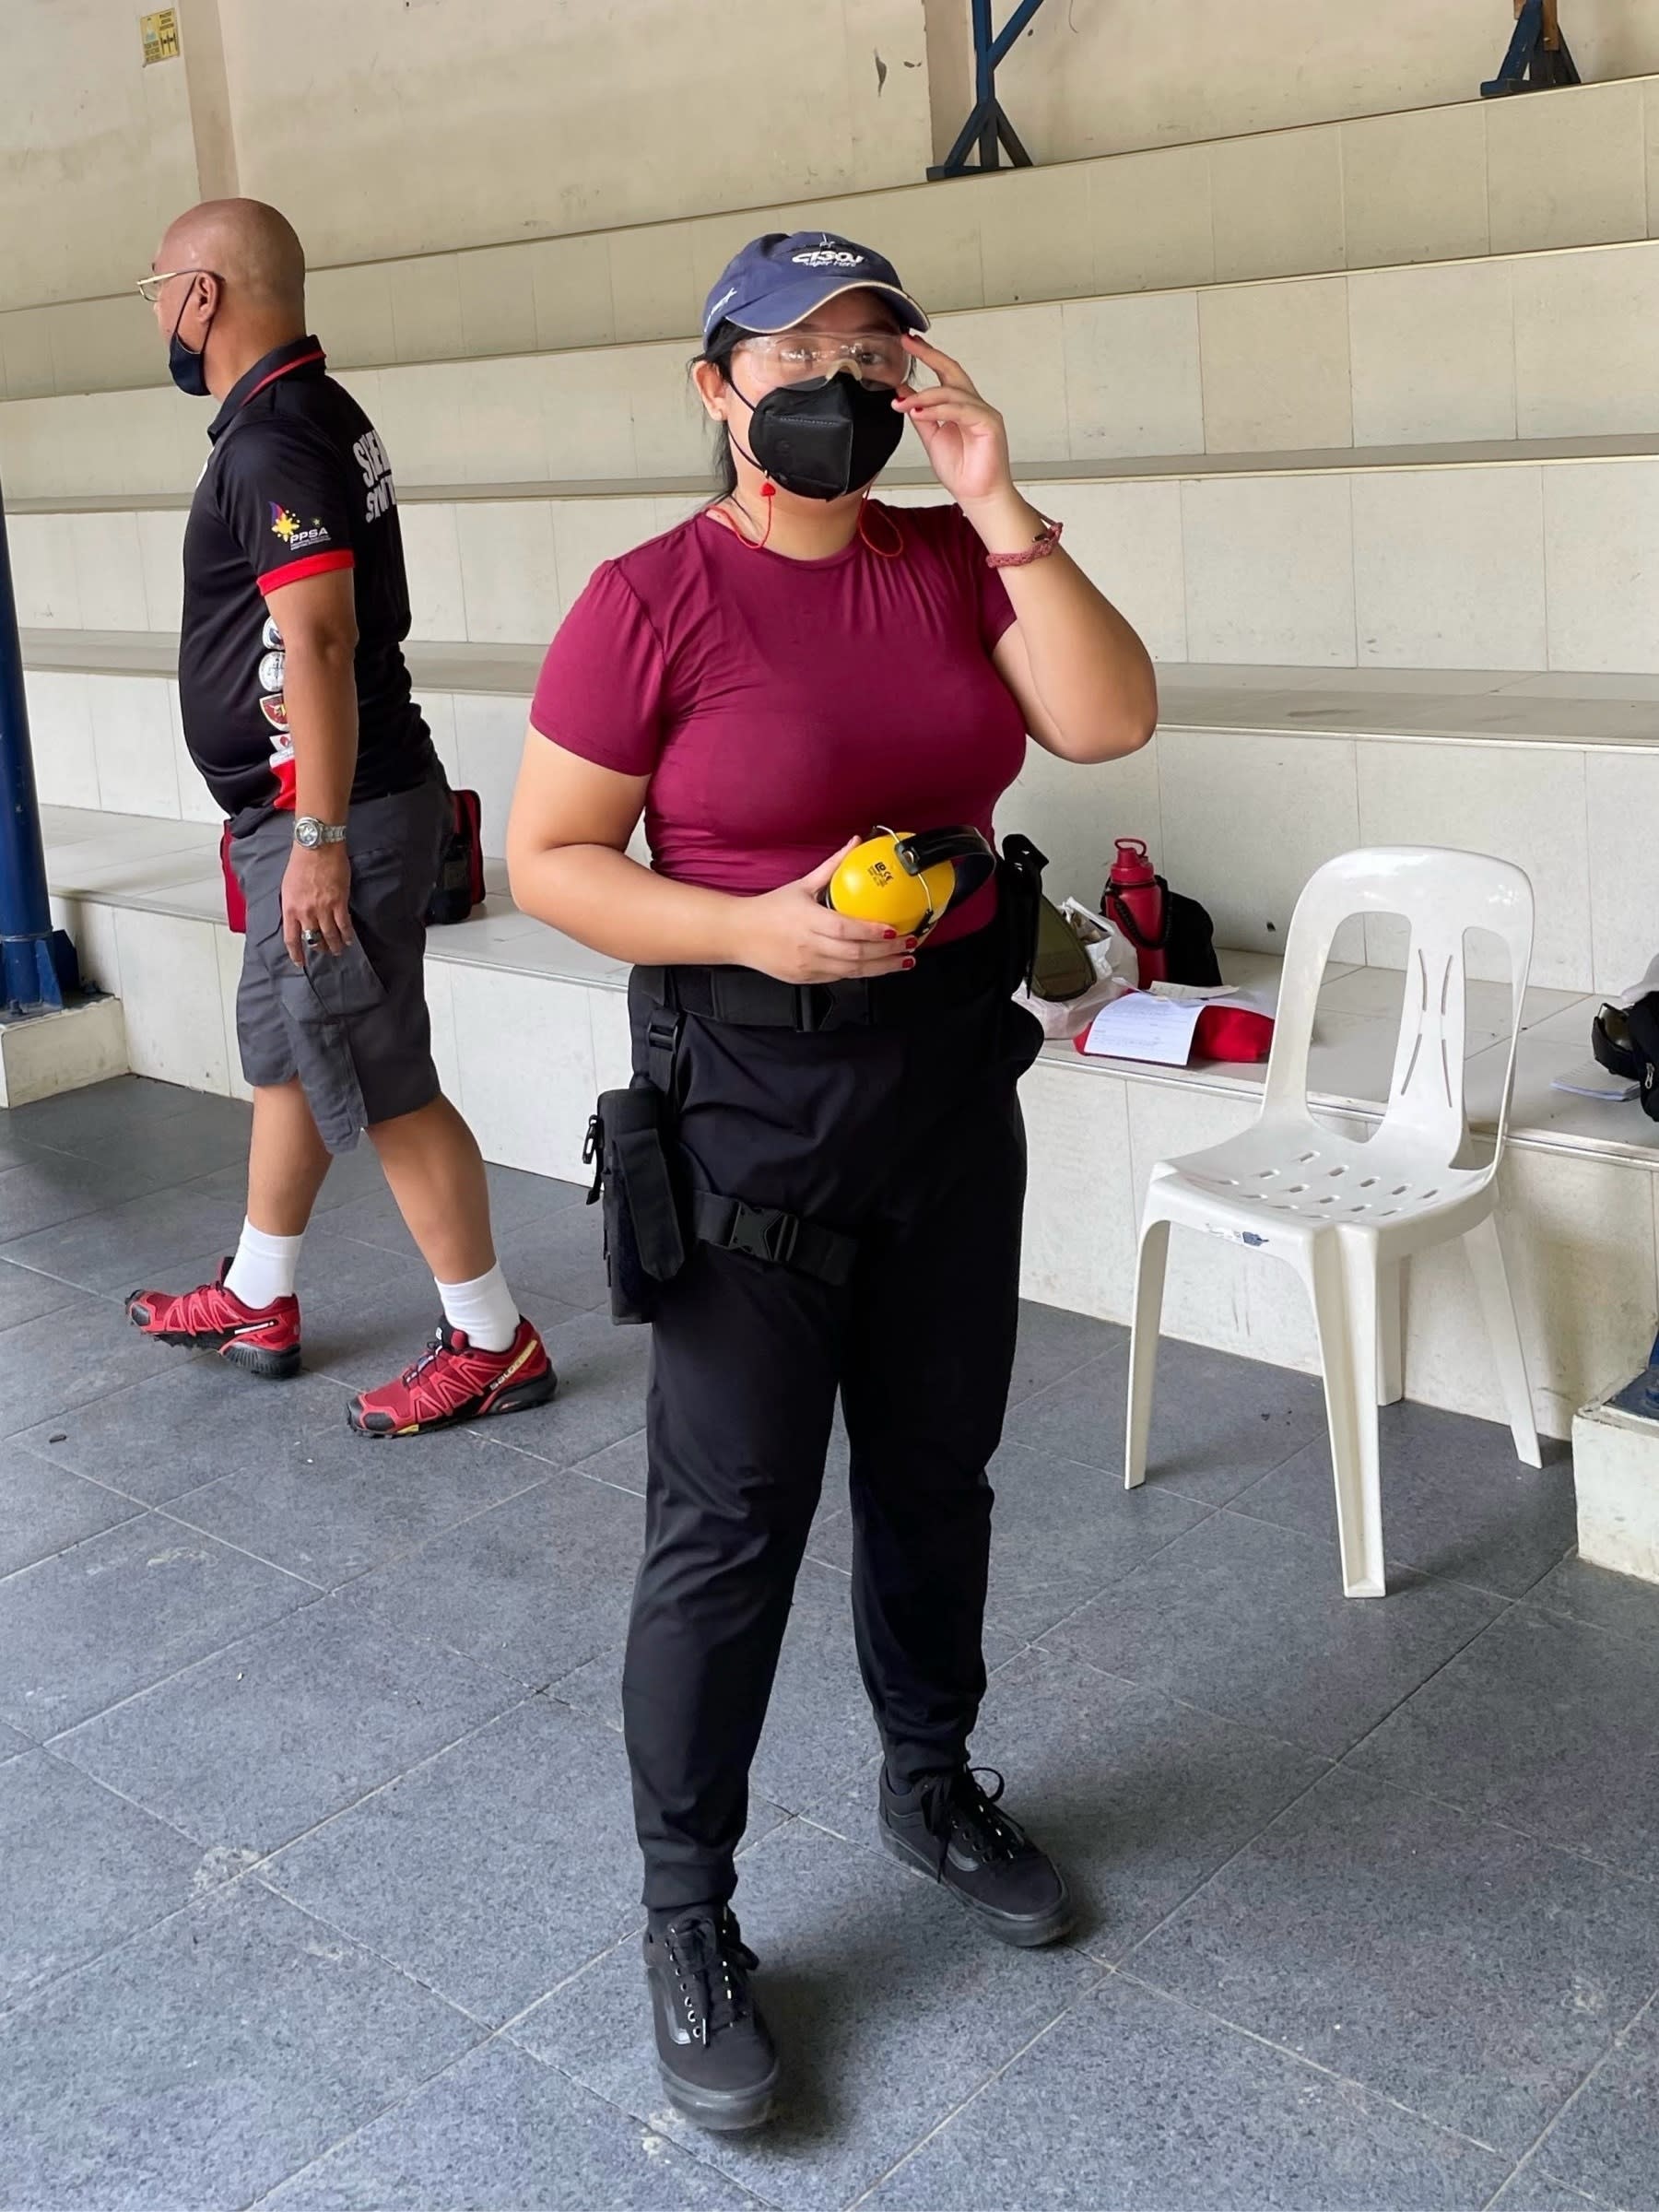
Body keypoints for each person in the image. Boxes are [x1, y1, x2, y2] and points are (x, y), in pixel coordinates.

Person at [507, 229, 1157, 2130]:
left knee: (936, 1476)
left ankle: (930, 1781)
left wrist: (996, 491)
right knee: (730, 1533)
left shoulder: (954, 560)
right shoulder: (649, 601)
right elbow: (554, 854)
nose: (844, 381)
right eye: (800, 350)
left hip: (949, 1102)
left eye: (877, 349)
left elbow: (1104, 720)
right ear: (714, 389)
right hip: (744, 1127)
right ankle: (688, 1917)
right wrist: (749, 931)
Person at [124, 198, 555, 1437]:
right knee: (284, 1055)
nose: (156, 308)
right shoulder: (305, 414)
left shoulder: (275, 443)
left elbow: (316, 634)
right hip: (306, 814)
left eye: (158, 286)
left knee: (378, 1066)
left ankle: (491, 1338)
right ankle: (260, 1295)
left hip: (338, 819)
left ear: (204, 296)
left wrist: (315, 840)